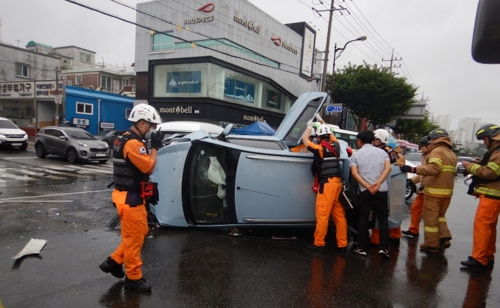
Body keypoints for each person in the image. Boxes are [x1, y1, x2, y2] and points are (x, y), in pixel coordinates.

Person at [99, 103, 162, 292]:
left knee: (138, 233)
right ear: (142, 123)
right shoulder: (134, 143)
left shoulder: (122, 139)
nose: (151, 130)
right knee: (134, 239)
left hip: (128, 196)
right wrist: (155, 148)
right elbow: (148, 167)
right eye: (151, 126)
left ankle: (114, 262)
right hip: (130, 199)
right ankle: (133, 278)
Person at [400, 128, 457, 253]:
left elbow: (434, 169)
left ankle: (431, 245)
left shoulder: (436, 152)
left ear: (435, 139)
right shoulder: (451, 153)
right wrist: (413, 180)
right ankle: (444, 237)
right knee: (440, 217)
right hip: (447, 192)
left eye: (431, 140)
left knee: (430, 218)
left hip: (434, 192)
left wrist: (413, 169)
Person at [303, 121, 348, 253]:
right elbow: (332, 134)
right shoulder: (337, 145)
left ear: (319, 137)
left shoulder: (320, 149)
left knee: (322, 215)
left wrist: (309, 127)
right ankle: (342, 244)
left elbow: (305, 140)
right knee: (339, 216)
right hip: (338, 185)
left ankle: (319, 243)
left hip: (327, 185)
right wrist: (322, 122)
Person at [460, 123, 500, 269]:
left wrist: (470, 166)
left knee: (482, 226)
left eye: (484, 139)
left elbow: (490, 172)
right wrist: (478, 163)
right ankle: (488, 256)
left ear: (492, 138)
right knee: (489, 227)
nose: (483, 142)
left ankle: (479, 259)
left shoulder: (498, 152)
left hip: (492, 196)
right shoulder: (495, 151)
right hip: (493, 196)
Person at [350, 130, 392, 258]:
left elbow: (354, 173)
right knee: (383, 219)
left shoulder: (356, 155)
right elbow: (388, 168)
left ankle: (362, 248)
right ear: (372, 140)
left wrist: (367, 186)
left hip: (364, 191)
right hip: (381, 190)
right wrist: (378, 183)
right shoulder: (383, 153)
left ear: (360, 141)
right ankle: (384, 248)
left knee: (363, 218)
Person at [370, 130, 405, 246]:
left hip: (382, 184)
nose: (373, 142)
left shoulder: (381, 152)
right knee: (395, 211)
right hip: (396, 182)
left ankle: (376, 238)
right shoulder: (392, 151)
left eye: (375, 139)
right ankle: (395, 235)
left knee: (380, 212)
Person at [402, 136, 432, 238]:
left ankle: (435, 240)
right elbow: (423, 174)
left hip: (430, 190)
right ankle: (414, 230)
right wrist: (412, 181)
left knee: (430, 215)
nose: (421, 149)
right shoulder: (426, 156)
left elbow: (429, 171)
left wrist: (412, 170)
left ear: (428, 146)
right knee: (415, 209)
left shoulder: (433, 156)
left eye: (422, 146)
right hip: (424, 189)